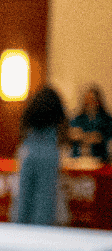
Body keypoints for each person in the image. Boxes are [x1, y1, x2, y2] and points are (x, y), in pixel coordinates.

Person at [12, 87, 68, 225]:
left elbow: (22, 130)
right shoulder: (56, 112)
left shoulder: (31, 111)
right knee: (45, 196)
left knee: (24, 194)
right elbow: (63, 131)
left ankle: (20, 225)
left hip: (29, 152)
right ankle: (41, 229)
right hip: (49, 154)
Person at [68, 84, 111, 161]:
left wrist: (83, 136)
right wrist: (88, 137)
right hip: (78, 158)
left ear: (98, 101)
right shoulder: (78, 118)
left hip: (99, 158)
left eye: (92, 99)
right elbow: (72, 134)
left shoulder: (106, 119)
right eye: (87, 99)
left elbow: (99, 138)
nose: (89, 102)